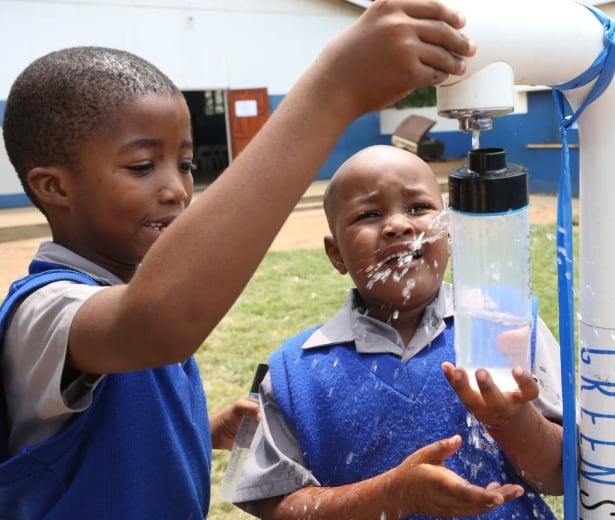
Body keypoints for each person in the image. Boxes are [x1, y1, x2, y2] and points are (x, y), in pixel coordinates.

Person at [0, 1, 476, 516]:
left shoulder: (124, 298)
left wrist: (197, 431)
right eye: (141, 166)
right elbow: (160, 321)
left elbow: (91, 445)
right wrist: (334, 90)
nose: (176, 190)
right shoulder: (44, 313)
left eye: (184, 164)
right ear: (52, 187)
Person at [232, 145, 564, 519]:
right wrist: (390, 495)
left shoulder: (509, 329)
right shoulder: (292, 375)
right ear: (336, 253)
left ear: (451, 232)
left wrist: (513, 421)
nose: (399, 226)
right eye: (370, 214)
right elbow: (274, 505)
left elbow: (560, 474)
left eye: (418, 208)